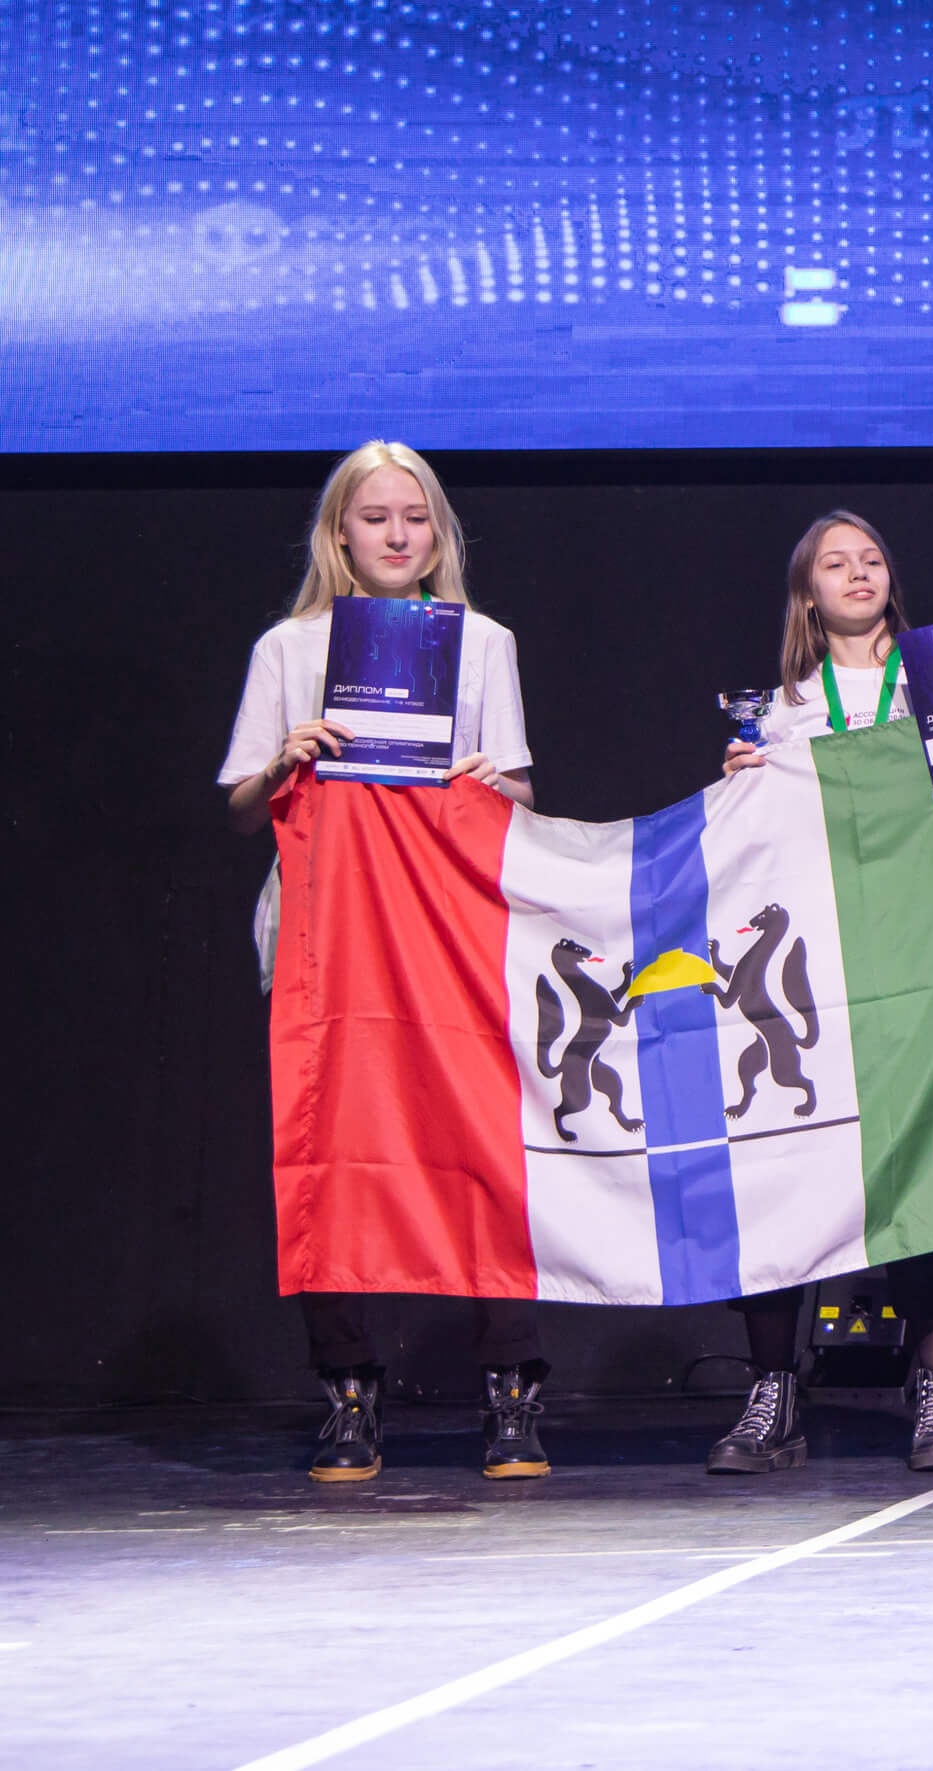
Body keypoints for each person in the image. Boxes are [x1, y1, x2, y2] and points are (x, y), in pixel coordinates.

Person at [217, 441, 548, 1484]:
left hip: (448, 928)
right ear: (340, 534)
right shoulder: (290, 647)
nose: (398, 534)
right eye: (376, 517)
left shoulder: (483, 641)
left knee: (484, 1147)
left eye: (416, 517)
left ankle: (510, 1386)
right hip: (328, 932)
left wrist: (494, 780)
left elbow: (522, 793)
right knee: (331, 1148)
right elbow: (242, 805)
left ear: (439, 533)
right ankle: (349, 1387)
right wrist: (285, 760)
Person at [703, 509, 933, 1477]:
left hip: (922, 959)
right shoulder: (778, 711)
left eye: (871, 560)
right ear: (807, 593)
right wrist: (737, 785)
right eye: (835, 563)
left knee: (925, 1175)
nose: (857, 573)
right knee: (781, 1167)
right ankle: (773, 1389)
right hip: (815, 969)